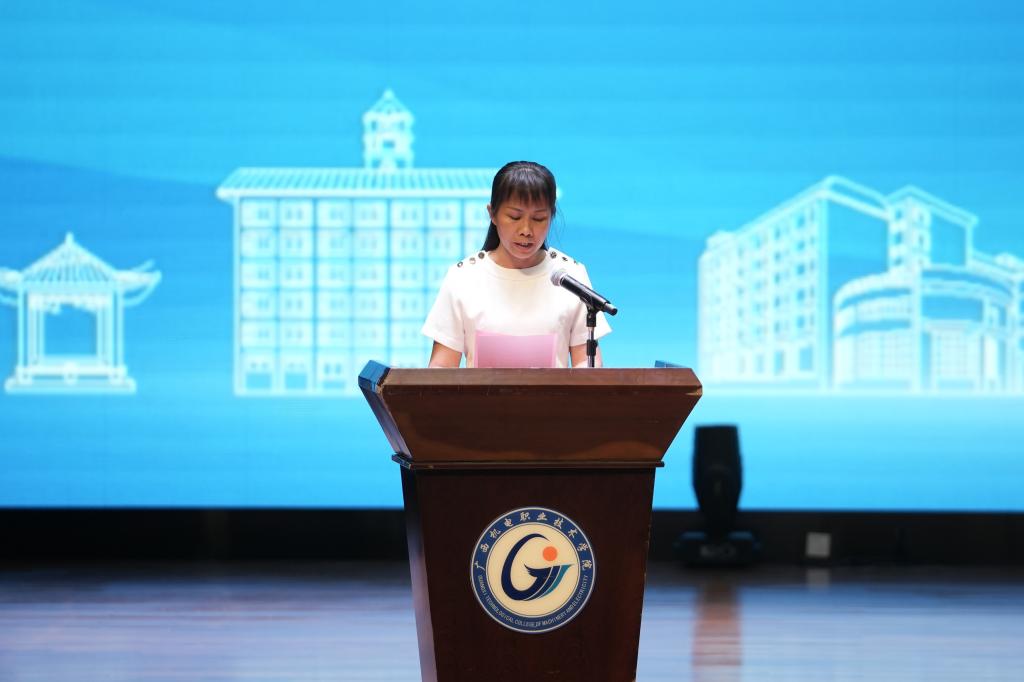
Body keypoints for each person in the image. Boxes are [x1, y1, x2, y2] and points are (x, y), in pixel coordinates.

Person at [421, 160, 612, 368]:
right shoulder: (463, 277)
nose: (526, 230)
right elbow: (441, 367)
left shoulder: (570, 276)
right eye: (514, 217)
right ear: (492, 214)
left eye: (538, 219)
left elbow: (586, 361)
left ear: (551, 216)